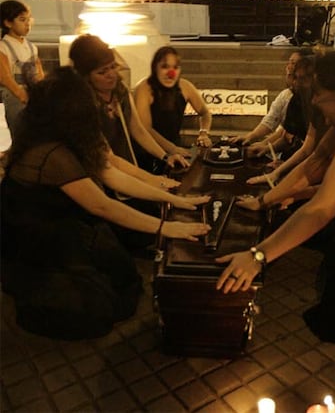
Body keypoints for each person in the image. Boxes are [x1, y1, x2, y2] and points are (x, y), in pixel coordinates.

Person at [216, 46, 335, 352]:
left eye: (320, 91)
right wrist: (264, 201)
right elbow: (314, 164)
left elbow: (321, 208)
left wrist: (258, 256)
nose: (313, 99)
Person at [1, 67, 210, 340]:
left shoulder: (73, 136)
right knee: (98, 311)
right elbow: (103, 206)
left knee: (124, 278)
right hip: (38, 240)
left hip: (67, 228)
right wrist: (167, 228)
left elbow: (114, 176)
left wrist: (174, 199)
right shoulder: (50, 153)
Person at [69, 34, 188, 174]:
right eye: (102, 72)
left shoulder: (120, 90)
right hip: (98, 173)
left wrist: (165, 156)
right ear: (86, 77)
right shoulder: (82, 103)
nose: (111, 74)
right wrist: (151, 181)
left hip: (126, 166)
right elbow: (108, 161)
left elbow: (137, 129)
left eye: (113, 67)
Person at [133, 45, 213, 172]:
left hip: (175, 148)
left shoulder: (185, 86)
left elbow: (204, 113)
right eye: (165, 67)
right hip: (146, 152)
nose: (171, 73)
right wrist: (171, 149)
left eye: (175, 67)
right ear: (155, 68)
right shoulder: (144, 89)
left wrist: (203, 133)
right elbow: (145, 128)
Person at [230, 49, 313, 157]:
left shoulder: (315, 104)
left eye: (294, 63)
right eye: (289, 62)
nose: (289, 67)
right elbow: (276, 125)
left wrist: (265, 146)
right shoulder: (290, 97)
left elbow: (309, 150)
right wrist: (252, 137)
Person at [0, 0, 44, 138]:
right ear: (8, 23)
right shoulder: (3, 47)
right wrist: (21, 95)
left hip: (33, 94)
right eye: (22, 20)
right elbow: (5, 77)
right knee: (21, 133)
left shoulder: (32, 47)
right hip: (15, 95)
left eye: (28, 19)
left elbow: (39, 73)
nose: (27, 23)